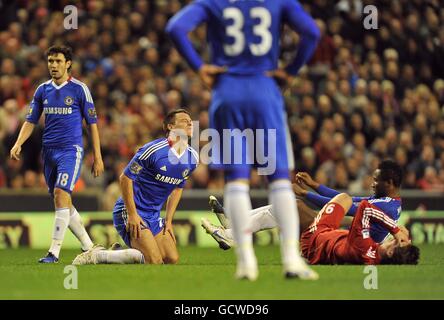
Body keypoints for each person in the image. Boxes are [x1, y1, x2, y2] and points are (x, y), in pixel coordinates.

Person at [167, 0, 320, 280]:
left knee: (236, 182)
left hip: (227, 92)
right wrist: (291, 70)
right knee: (278, 181)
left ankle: (246, 263)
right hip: (265, 90)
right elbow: (312, 33)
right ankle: (291, 261)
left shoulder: (213, 2)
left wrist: (199, 66)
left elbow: (175, 27)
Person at [10, 46, 104, 263]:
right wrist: (18, 143)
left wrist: (97, 156)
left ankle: (53, 252)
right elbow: (30, 120)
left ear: (68, 63)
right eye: (50, 61)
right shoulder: (42, 90)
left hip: (70, 151)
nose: (53, 65)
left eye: (58, 61)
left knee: (62, 193)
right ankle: (89, 246)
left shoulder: (80, 89)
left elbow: (93, 124)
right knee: (62, 200)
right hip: (48, 152)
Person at [73, 109, 198, 265]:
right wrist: (132, 214)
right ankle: (97, 255)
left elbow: (178, 188)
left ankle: (119, 253)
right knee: (154, 261)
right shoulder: (153, 151)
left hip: (153, 215)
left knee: (171, 259)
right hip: (130, 210)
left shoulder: (193, 157)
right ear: (170, 127)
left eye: (191, 120)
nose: (190, 122)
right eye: (184, 120)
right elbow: (125, 178)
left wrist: (169, 220)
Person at [202, 160, 403, 250]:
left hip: (344, 244)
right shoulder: (386, 202)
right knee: (288, 206)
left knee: (293, 206)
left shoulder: (386, 206)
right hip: (342, 238)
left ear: (391, 183)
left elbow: (345, 207)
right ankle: (234, 227)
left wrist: (305, 193)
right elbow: (344, 198)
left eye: (376, 181)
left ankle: (232, 233)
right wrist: (315, 185)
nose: (372, 184)